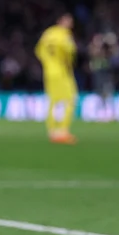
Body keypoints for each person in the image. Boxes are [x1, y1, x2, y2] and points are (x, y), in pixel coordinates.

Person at [34, 13, 78, 144]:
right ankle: (63, 131)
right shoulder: (65, 35)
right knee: (70, 98)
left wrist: (47, 63)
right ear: (61, 21)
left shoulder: (48, 33)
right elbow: (69, 51)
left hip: (49, 71)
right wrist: (68, 63)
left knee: (53, 100)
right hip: (62, 71)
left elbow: (38, 50)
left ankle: (52, 131)